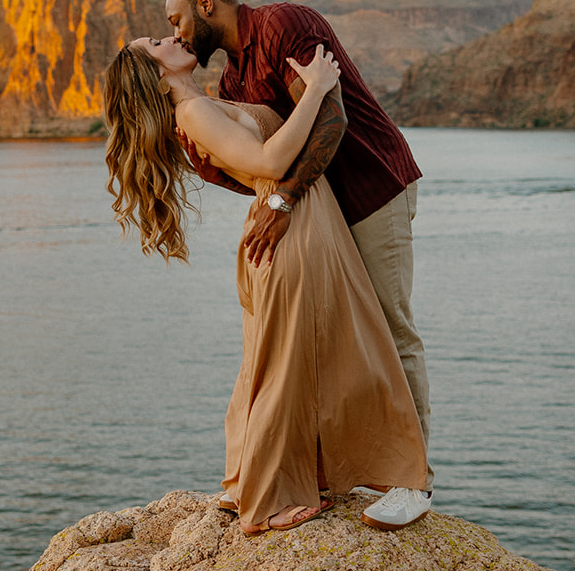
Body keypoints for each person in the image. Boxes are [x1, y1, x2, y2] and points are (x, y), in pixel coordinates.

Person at [102, 35, 430, 535]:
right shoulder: (191, 112)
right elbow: (272, 164)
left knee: (281, 360)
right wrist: (318, 89)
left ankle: (253, 483)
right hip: (291, 229)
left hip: (298, 222)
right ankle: (269, 504)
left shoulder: (203, 103)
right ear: (154, 72)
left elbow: (250, 162)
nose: (171, 36)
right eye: (158, 41)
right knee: (294, 364)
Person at [164, 0, 435, 503]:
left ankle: (414, 484)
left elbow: (330, 117)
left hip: (373, 188)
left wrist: (285, 200)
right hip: (322, 212)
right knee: (328, 336)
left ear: (205, 3)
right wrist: (207, 161)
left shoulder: (282, 26)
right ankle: (336, 470)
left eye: (176, 20)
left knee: (391, 328)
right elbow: (268, 165)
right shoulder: (233, 82)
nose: (175, 33)